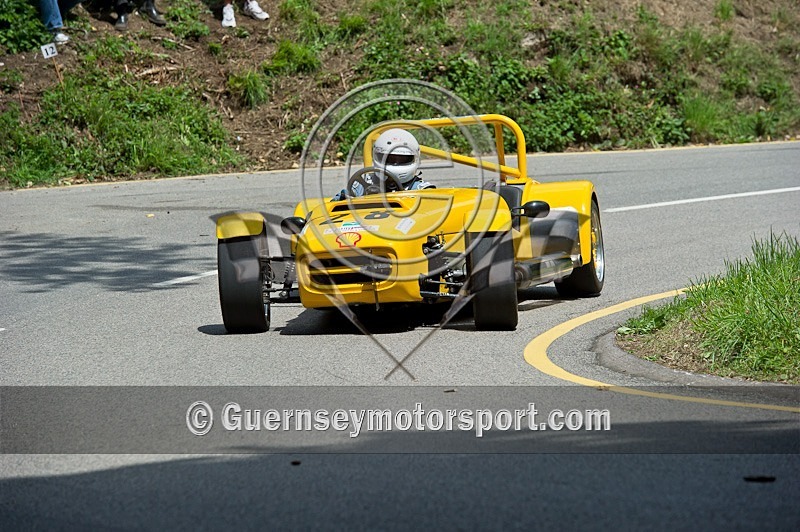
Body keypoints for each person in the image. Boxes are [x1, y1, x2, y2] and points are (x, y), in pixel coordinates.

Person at [333, 128, 435, 201]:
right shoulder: (363, 185)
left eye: (402, 159)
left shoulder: (422, 190)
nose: (395, 163)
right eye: (389, 158)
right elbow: (334, 205)